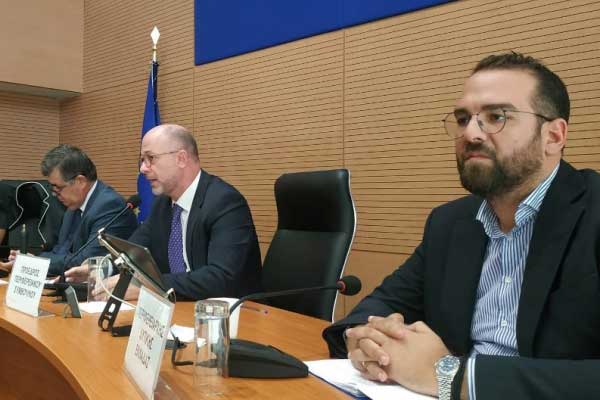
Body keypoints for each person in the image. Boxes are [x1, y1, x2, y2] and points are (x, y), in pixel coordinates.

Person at [323, 52, 600, 400]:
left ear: (554, 136)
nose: (470, 133)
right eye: (463, 118)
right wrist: (365, 340)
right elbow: (382, 305)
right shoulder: (450, 223)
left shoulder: (593, 213)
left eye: (496, 117)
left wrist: (452, 377)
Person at [68, 124, 262, 301]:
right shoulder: (163, 204)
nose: (143, 169)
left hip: (235, 316)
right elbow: (134, 251)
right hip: (180, 308)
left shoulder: (224, 202)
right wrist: (104, 268)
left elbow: (221, 278)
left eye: (150, 158)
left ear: (181, 158)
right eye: (142, 160)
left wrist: (148, 286)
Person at [0, 145, 138, 275]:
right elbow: (60, 252)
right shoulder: (74, 205)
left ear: (80, 181)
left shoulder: (109, 206)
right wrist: (29, 260)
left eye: (58, 187)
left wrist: (34, 263)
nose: (54, 194)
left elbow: (85, 261)